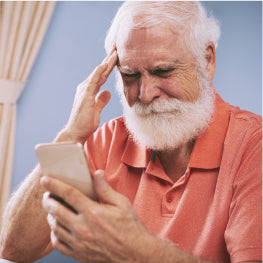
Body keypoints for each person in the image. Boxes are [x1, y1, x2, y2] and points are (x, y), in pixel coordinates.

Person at [0, 1, 261, 262]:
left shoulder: (253, 145)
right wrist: (71, 135)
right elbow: (13, 249)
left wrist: (136, 249)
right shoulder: (109, 139)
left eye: (163, 70)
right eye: (129, 75)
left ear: (207, 60)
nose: (145, 95)